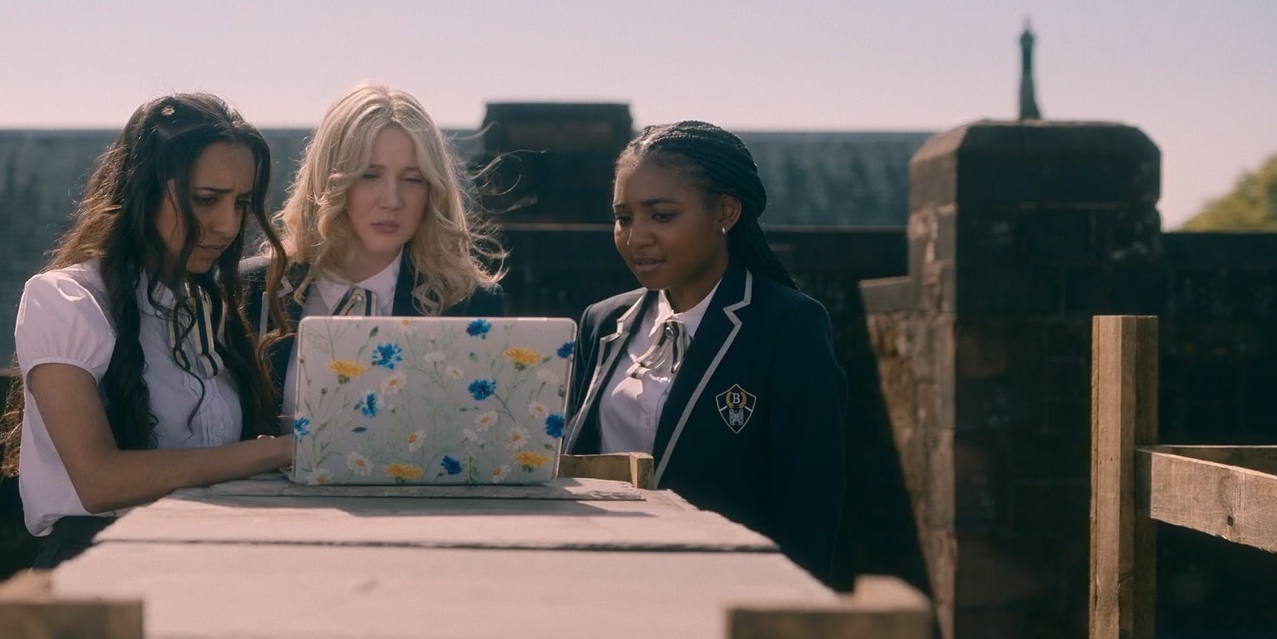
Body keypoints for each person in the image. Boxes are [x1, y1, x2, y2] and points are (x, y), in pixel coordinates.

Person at [0, 93, 294, 569]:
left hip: (207, 564)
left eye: (241, 203)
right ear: (144, 191)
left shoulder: (210, 312)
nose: (228, 225)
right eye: (206, 200)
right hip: (98, 572)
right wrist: (268, 454)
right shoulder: (65, 302)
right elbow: (100, 482)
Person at [563, 121, 847, 579]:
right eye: (623, 217)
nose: (636, 238)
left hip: (724, 594)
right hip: (604, 582)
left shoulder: (788, 326)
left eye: (662, 215)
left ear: (726, 213)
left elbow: (810, 506)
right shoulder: (601, 323)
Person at [242, 82, 506, 428]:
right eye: (370, 176)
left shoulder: (468, 304)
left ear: (433, 191)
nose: (392, 200)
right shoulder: (251, 289)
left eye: (412, 179)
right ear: (330, 181)